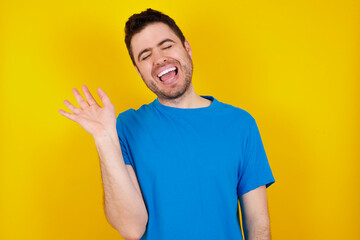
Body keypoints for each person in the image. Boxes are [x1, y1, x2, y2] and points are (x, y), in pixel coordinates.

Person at [59, 8, 275, 240]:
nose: (159, 58)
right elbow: (131, 229)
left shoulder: (240, 124)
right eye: (145, 55)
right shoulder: (126, 126)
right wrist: (104, 138)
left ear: (187, 48)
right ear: (138, 70)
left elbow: (258, 223)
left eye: (167, 45)